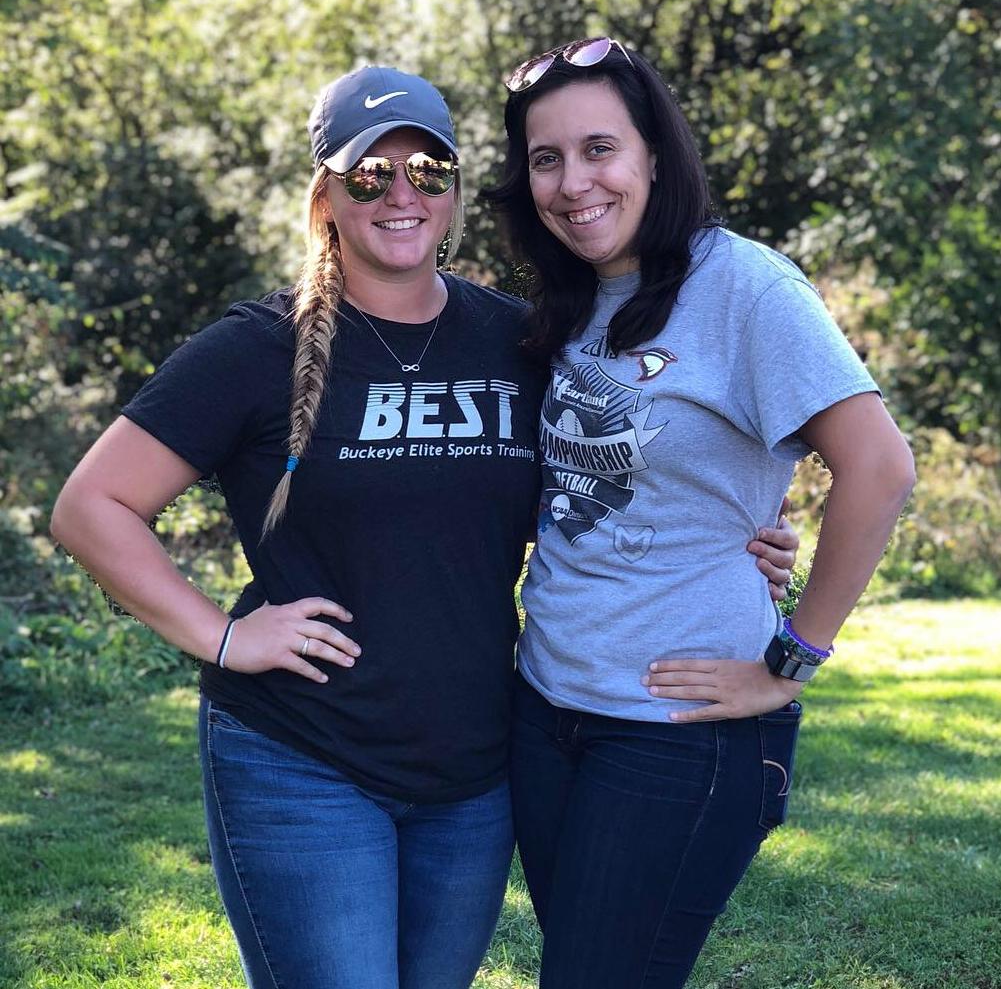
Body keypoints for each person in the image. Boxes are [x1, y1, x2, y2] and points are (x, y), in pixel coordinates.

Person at [50, 65, 798, 989]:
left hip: (476, 772)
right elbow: (91, 506)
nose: (400, 194)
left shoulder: (522, 338)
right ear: (326, 195)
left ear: (453, 188)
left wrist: (744, 536)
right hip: (300, 757)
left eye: (427, 171)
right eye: (369, 175)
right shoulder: (255, 348)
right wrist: (225, 636)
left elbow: (625, 474)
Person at [484, 38, 916, 989]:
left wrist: (791, 659)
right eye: (546, 158)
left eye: (599, 148)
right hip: (549, 709)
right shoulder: (573, 301)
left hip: (680, 728)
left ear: (653, 154)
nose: (572, 182)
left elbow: (879, 467)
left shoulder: (744, 285)